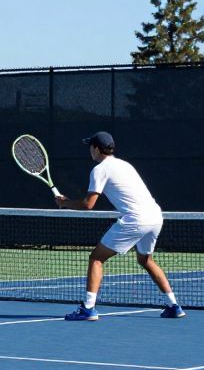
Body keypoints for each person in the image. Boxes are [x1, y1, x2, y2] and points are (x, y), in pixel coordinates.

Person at [56, 131, 185, 321]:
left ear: (97, 149)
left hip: (136, 219)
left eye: (90, 146)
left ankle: (88, 309)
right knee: (146, 260)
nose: (89, 150)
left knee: (96, 258)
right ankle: (174, 306)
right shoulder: (125, 165)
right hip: (155, 217)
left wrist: (65, 202)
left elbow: (88, 205)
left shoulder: (99, 170)